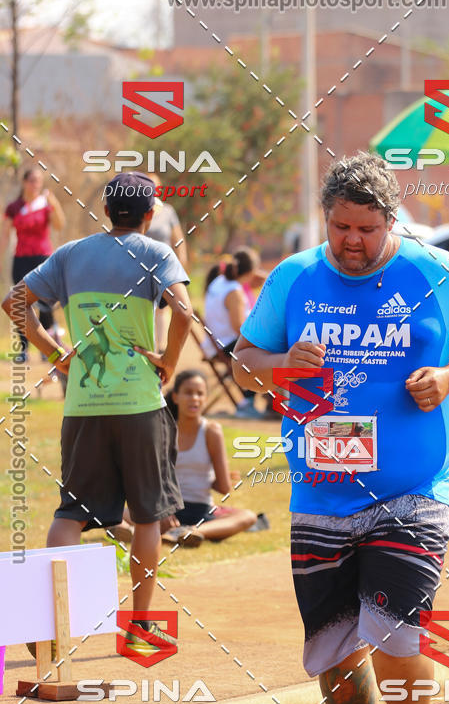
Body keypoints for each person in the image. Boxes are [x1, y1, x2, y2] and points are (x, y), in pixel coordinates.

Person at [232, 151, 449, 704]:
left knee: (396, 630)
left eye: (364, 229)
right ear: (324, 221)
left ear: (390, 220)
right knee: (334, 643)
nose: (351, 242)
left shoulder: (436, 272)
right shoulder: (295, 278)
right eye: (339, 228)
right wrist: (278, 366)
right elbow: (245, 359)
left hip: (414, 487)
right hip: (320, 488)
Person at [1, 172, 192, 643]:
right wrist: (168, 361)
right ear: (151, 215)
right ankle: (138, 625)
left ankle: (46, 624)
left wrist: (53, 352)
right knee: (148, 516)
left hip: (83, 404)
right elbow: (185, 313)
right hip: (140, 406)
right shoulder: (155, 252)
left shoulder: (70, 254)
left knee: (71, 513)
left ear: (106, 211)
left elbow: (14, 302)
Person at [113, 369, 257, 546]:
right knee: (114, 511)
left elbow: (224, 488)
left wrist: (214, 479)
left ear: (205, 398)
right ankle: (143, 531)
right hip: (166, 511)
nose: (194, 398)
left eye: (200, 394)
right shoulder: (162, 431)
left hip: (201, 511)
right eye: (188, 393)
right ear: (175, 397)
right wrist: (162, 510)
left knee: (248, 516)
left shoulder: (212, 432)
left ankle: (189, 532)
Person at [0, 168, 66, 360]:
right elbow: (5, 234)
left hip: (43, 258)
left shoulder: (46, 204)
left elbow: (59, 225)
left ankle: (49, 349)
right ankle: (23, 349)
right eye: (32, 181)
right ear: (25, 183)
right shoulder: (14, 207)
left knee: (45, 304)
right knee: (20, 303)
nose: (36, 185)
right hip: (21, 259)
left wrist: (54, 205)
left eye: (39, 181)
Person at [203, 255, 261, 417]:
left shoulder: (218, 282)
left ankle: (264, 400)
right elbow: (240, 328)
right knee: (266, 348)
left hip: (213, 344)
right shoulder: (234, 291)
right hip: (226, 345)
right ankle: (249, 402)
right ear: (251, 272)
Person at [145, 172, 189, 352]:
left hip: (164, 266)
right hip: (142, 265)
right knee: (147, 306)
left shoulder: (168, 211)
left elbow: (177, 239)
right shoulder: (139, 211)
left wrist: (182, 261)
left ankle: (160, 346)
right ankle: (148, 343)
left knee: (163, 307)